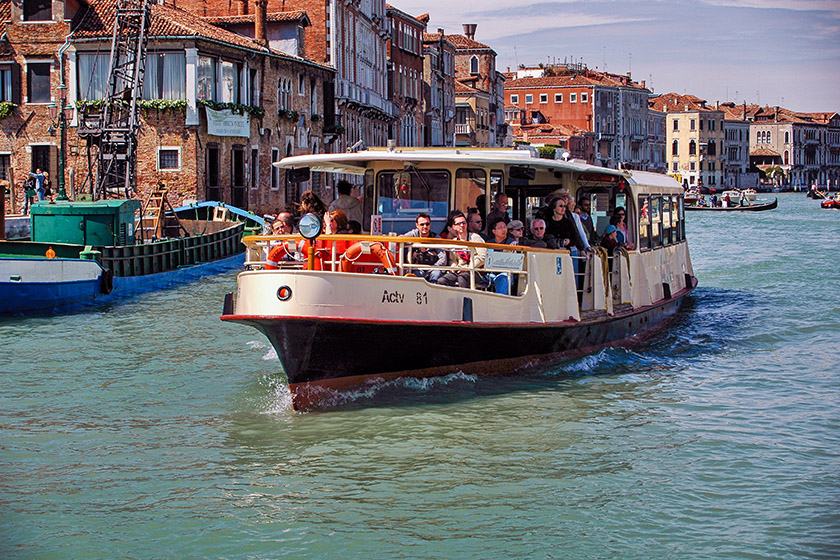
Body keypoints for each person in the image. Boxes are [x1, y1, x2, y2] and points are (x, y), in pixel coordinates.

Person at [437, 210, 485, 288]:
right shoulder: (454, 242)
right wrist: (454, 268)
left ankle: (465, 299)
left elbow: (482, 257)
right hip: (459, 271)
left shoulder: (475, 237)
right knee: (442, 280)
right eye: (458, 224)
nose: (462, 225)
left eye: (464, 223)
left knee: (462, 277)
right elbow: (452, 260)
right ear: (454, 227)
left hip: (475, 271)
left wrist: (468, 268)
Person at [402, 213, 444, 281]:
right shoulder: (413, 234)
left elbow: (443, 258)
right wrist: (415, 243)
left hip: (432, 268)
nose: (425, 226)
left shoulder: (436, 237)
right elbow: (401, 239)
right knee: (417, 274)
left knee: (436, 274)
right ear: (417, 225)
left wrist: (433, 267)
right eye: (422, 224)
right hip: (416, 268)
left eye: (427, 224)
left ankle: (433, 291)